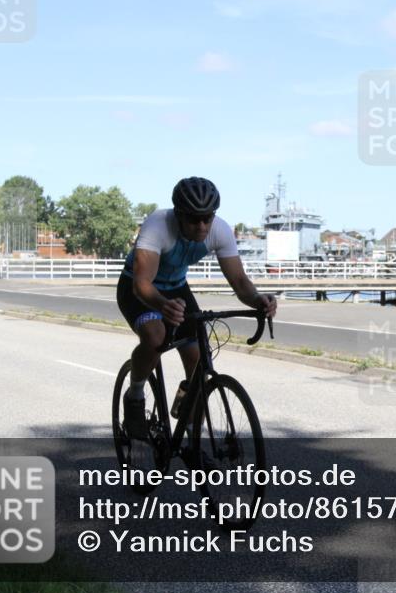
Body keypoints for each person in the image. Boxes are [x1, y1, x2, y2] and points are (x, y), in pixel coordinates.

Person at [116, 176, 277, 437]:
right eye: (193, 219)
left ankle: (190, 428)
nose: (201, 226)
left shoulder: (219, 230)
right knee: (156, 336)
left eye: (207, 218)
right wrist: (161, 304)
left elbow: (239, 281)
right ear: (178, 214)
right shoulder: (158, 224)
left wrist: (259, 300)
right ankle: (134, 396)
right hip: (139, 289)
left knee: (199, 357)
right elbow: (142, 283)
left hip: (177, 288)